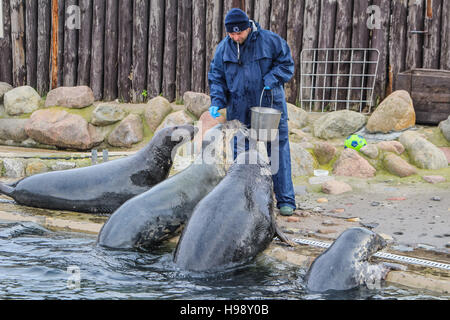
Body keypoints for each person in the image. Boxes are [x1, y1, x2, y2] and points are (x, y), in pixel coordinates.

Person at [207, 8, 296, 216]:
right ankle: (244, 198)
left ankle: (285, 200)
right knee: (242, 153)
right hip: (238, 108)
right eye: (231, 34)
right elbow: (216, 77)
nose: (236, 37)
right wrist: (218, 100)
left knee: (278, 149)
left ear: (248, 27)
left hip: (269, 105)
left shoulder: (270, 41)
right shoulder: (223, 49)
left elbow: (286, 64)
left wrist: (272, 79)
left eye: (239, 33)